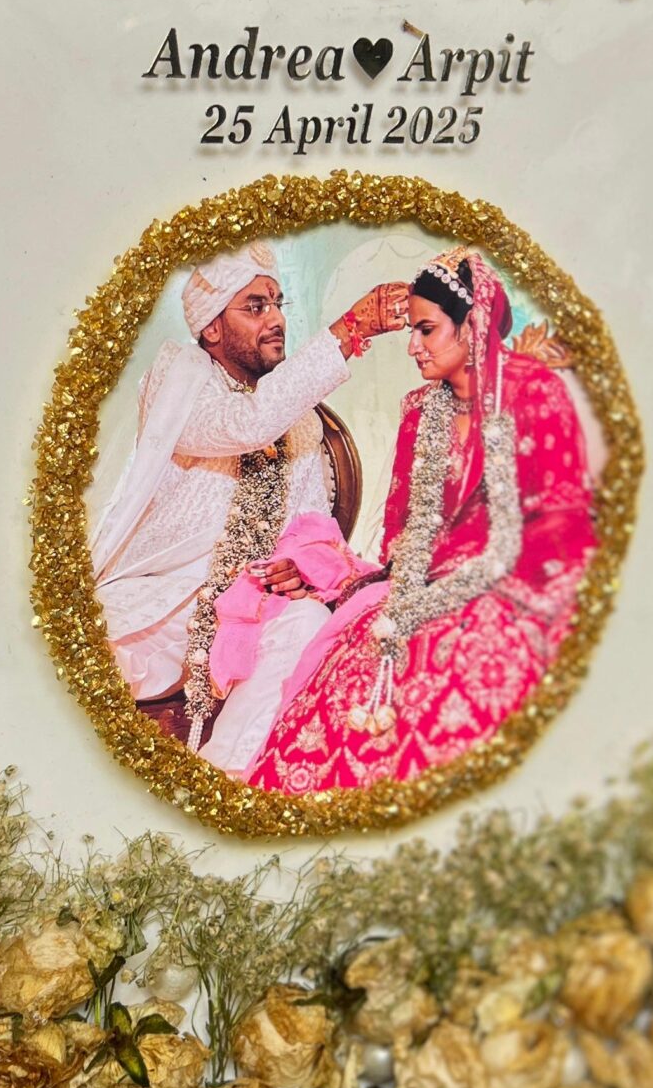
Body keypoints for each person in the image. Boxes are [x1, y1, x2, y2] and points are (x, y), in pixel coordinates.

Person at [247, 248, 596, 794]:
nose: (412, 346)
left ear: (473, 325)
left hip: (518, 583)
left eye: (427, 330)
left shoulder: (535, 392)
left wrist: (481, 580)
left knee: (462, 656)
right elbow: (400, 534)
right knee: (350, 669)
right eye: (411, 330)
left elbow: (565, 520)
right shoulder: (419, 411)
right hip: (418, 586)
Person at [90, 243, 407, 766]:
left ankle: (226, 782)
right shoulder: (181, 376)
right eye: (256, 307)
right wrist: (350, 330)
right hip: (159, 602)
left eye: (278, 304)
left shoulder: (300, 422)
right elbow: (246, 425)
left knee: (308, 621)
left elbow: (314, 526)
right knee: (82, 654)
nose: (276, 319)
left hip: (249, 609)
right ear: (212, 327)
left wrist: (302, 569)